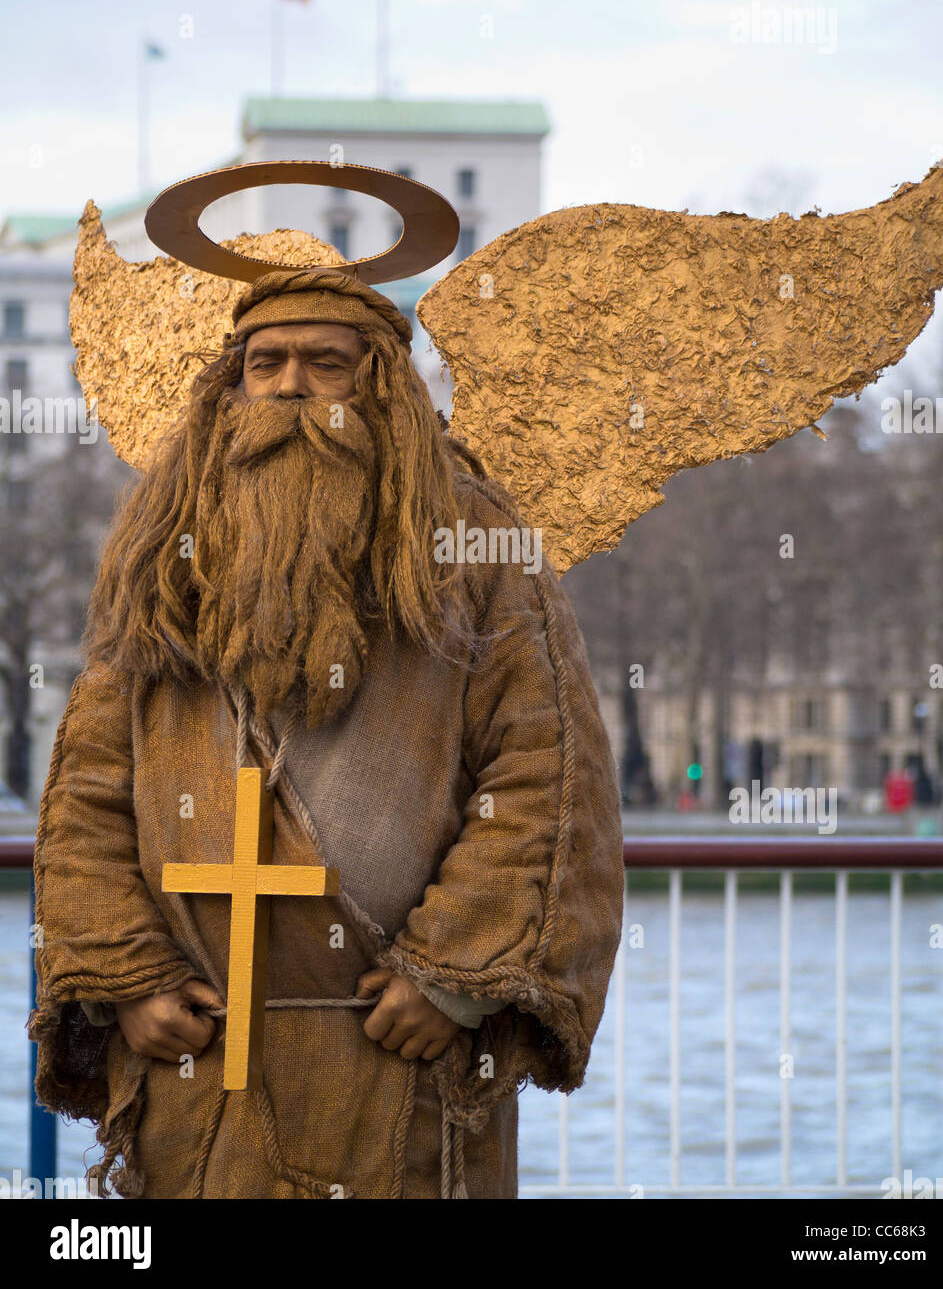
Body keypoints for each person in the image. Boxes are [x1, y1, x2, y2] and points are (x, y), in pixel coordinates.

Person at [30, 266, 625, 1200]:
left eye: (325, 364)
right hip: (194, 1049)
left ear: (379, 384)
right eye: (264, 363)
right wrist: (130, 977)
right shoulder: (164, 541)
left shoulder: (474, 541)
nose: (291, 386)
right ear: (233, 384)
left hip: (395, 1052)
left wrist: (451, 979)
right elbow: (89, 792)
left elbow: (546, 776)